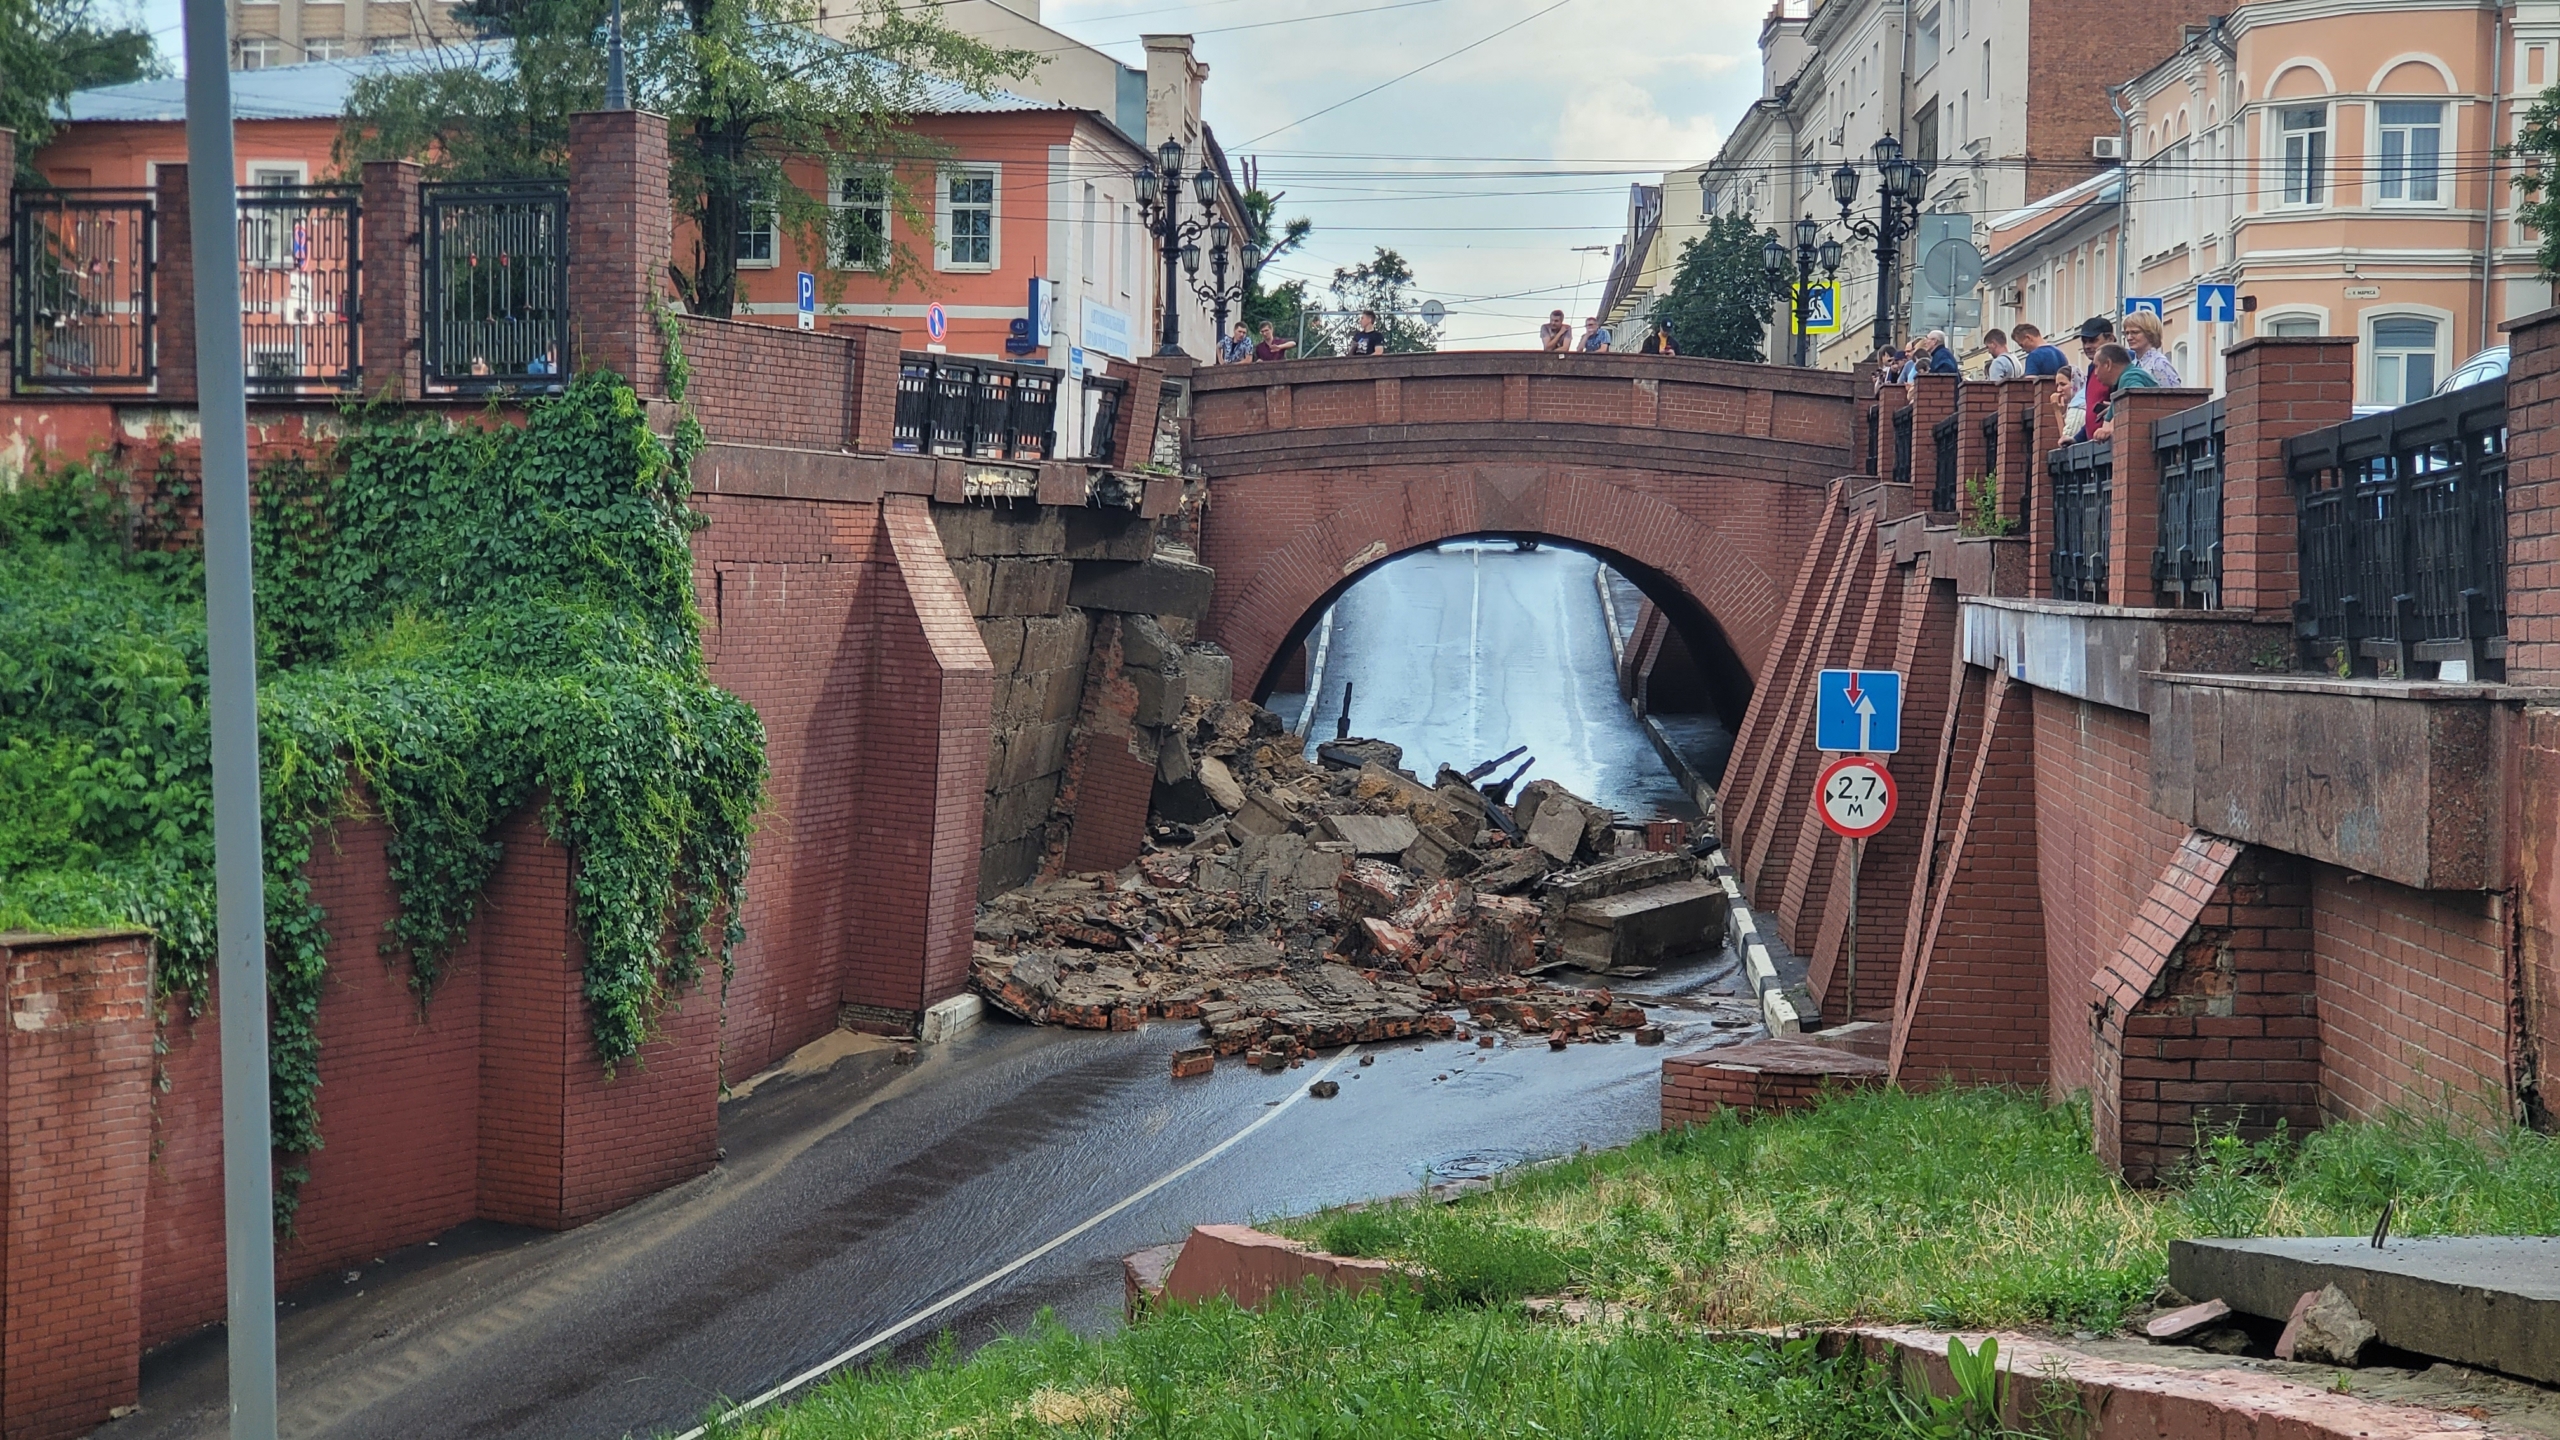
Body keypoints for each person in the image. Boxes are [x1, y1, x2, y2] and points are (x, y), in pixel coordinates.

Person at [2087, 343, 2159, 442]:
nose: (2095, 373)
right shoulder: (2123, 381)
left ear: (2108, 364)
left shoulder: (2130, 377)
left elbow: (2135, 399)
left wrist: (2110, 428)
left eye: (2096, 366)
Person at [2121, 311, 2181, 386]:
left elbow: (2174, 395)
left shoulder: (2159, 363)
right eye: (2127, 333)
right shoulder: (2133, 364)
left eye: (2135, 332)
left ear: (2149, 333)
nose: (2129, 338)